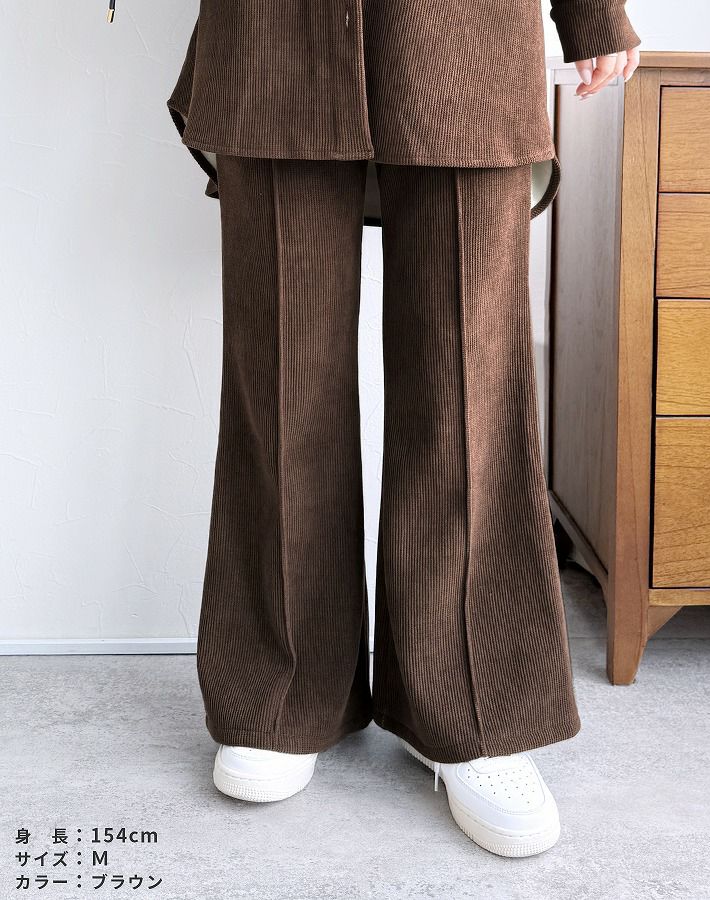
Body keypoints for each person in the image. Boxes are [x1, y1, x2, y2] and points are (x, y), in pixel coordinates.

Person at [164, 0, 640, 858]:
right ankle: (282, 692)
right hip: (273, 36)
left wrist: (593, 12)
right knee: (280, 380)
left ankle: (471, 707)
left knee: (469, 390)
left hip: (467, 37)